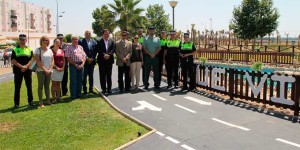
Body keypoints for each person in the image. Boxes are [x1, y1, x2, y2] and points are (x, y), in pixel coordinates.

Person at [11, 34, 35, 108]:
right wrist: (21, 66)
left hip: (27, 71)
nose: (22, 41)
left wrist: (26, 66)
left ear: (26, 40)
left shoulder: (29, 49)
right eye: (21, 39)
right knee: (17, 87)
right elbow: (13, 60)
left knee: (29, 87)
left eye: (24, 39)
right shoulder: (15, 49)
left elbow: (31, 60)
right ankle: (16, 103)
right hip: (18, 71)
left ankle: (30, 101)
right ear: (19, 40)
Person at [35, 36, 54, 108]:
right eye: (43, 40)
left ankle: (48, 100)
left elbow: (52, 60)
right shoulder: (38, 50)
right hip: (41, 70)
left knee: (47, 86)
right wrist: (45, 69)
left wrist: (49, 69)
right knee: (40, 86)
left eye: (46, 40)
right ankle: (41, 102)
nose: (45, 41)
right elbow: (37, 61)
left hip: (49, 71)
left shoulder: (50, 50)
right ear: (41, 41)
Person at [65, 35, 86, 99]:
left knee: (80, 80)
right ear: (72, 40)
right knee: (73, 80)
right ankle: (73, 95)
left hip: (81, 65)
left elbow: (84, 56)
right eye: (74, 39)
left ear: (78, 40)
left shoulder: (80, 47)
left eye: (76, 39)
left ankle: (78, 94)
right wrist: (76, 65)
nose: (75, 40)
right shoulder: (69, 47)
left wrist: (82, 64)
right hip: (73, 65)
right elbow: (68, 58)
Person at [96, 29, 115, 95]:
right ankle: (103, 89)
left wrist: (109, 55)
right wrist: (104, 55)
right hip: (102, 61)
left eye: (107, 34)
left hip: (109, 61)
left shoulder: (112, 41)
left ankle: (109, 89)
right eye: (105, 34)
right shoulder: (99, 41)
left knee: (109, 76)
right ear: (103, 34)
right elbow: (98, 49)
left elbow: (113, 49)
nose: (106, 35)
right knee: (102, 76)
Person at [79, 30, 97, 95]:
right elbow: (81, 51)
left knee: (91, 76)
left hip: (92, 62)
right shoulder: (81, 41)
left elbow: (95, 51)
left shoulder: (94, 41)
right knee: (84, 76)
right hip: (84, 62)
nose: (88, 34)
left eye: (89, 33)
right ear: (84, 34)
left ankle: (91, 89)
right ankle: (85, 90)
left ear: (91, 34)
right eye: (87, 33)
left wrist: (92, 58)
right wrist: (86, 58)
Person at [50, 38, 65, 103]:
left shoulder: (61, 50)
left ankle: (58, 97)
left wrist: (63, 67)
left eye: (58, 42)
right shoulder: (50, 50)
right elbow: (50, 61)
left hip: (61, 69)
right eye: (56, 42)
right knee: (54, 83)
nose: (57, 43)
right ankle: (53, 98)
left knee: (59, 83)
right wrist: (56, 68)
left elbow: (64, 60)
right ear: (53, 43)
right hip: (54, 69)